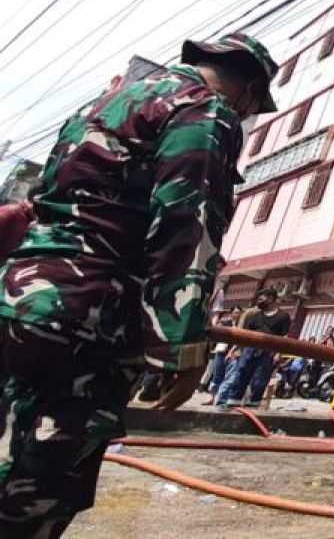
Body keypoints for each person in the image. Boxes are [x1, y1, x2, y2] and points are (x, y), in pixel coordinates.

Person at [0, 32, 277, 537]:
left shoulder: (108, 101)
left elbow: (46, 195)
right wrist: (183, 350)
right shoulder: (206, 110)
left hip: (16, 298)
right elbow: (186, 224)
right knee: (38, 491)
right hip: (85, 320)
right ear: (249, 92)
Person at [214, 288, 291, 408]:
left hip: (267, 352)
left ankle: (253, 404)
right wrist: (233, 350)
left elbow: (284, 336)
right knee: (240, 374)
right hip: (249, 350)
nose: (258, 302)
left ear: (270, 299)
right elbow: (245, 334)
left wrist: (278, 354)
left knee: (259, 380)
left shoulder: (283, 316)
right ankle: (233, 402)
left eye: (261, 299)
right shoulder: (255, 316)